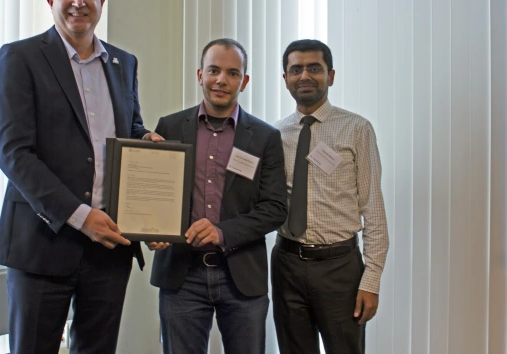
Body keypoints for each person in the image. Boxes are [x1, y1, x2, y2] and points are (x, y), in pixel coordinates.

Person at [0, 0, 161, 354]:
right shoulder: (21, 58)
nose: (78, 2)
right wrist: (82, 218)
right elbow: (15, 153)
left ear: (103, 1)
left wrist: (146, 140)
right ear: (50, 0)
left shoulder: (123, 63)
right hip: (41, 243)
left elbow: (125, 129)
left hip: (109, 248)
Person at [147, 38, 288, 354]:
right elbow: (157, 196)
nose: (221, 80)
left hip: (241, 276)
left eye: (232, 73)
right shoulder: (169, 127)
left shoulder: (265, 137)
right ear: (200, 75)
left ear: (244, 81)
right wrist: (152, 230)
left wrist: (223, 232)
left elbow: (276, 209)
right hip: (181, 275)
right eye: (213, 70)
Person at [272, 39, 389, 354]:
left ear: (331, 75)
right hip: (286, 264)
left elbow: (373, 210)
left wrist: (371, 280)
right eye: (296, 69)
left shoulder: (357, 129)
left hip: (340, 268)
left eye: (315, 68)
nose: (305, 76)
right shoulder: (275, 135)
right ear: (285, 79)